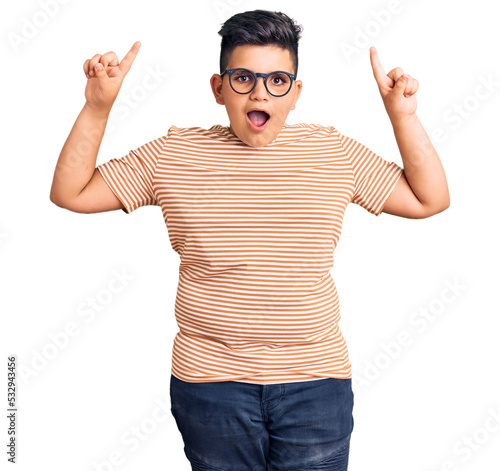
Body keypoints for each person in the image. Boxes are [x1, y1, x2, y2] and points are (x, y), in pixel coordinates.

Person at [49, 9, 449, 471]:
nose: (260, 92)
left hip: (315, 385)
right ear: (218, 88)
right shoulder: (174, 154)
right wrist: (98, 106)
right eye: (243, 78)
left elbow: (429, 199)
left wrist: (403, 116)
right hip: (209, 386)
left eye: (278, 80)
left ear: (296, 93)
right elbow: (70, 192)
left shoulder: (333, 152)